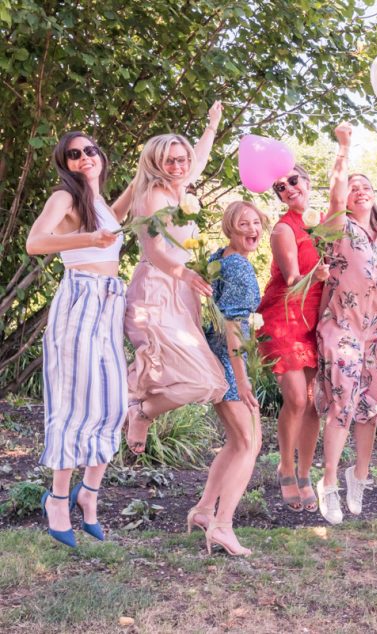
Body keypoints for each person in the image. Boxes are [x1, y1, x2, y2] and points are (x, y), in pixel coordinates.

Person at [26, 131, 132, 546]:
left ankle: (87, 494)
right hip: (79, 299)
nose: (84, 157)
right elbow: (36, 243)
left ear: (100, 155)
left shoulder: (101, 202)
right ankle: (56, 499)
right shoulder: (64, 198)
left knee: (114, 403)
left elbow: (136, 194)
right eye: (74, 154)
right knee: (73, 403)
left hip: (109, 303)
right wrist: (88, 238)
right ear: (64, 162)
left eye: (90, 150)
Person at [124, 102, 229, 453]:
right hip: (156, 289)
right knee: (176, 369)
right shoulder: (153, 195)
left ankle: (140, 409)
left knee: (207, 380)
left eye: (181, 159)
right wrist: (183, 273)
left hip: (182, 291)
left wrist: (212, 124)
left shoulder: (181, 188)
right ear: (156, 162)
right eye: (170, 160)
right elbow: (154, 250)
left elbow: (199, 157)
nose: (179, 165)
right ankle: (129, 406)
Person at [314, 122, 377, 524]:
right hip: (342, 325)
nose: (360, 189)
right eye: (354, 185)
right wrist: (344, 151)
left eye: (367, 186)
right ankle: (328, 482)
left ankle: (359, 476)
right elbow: (335, 193)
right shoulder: (338, 225)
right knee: (343, 405)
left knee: (371, 408)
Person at [187, 201, 267, 556]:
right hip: (230, 362)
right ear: (230, 230)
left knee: (238, 443)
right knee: (249, 444)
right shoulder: (238, 268)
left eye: (256, 223)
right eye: (243, 224)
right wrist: (243, 379)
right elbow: (234, 327)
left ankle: (204, 511)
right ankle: (223, 526)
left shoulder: (222, 259)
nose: (252, 230)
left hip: (219, 357)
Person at [256, 163, 329, 512]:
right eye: (280, 187)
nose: (288, 188)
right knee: (297, 399)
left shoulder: (325, 223)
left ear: (308, 180)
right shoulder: (284, 229)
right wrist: (321, 273)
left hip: (315, 320)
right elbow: (292, 279)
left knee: (313, 402)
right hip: (283, 318)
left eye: (293, 180)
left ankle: (304, 473)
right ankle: (285, 466)